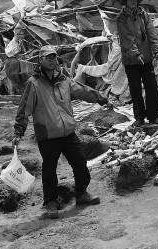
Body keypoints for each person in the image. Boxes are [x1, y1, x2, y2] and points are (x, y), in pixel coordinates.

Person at [12, 45, 108, 219]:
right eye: (48, 57)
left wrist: (100, 97)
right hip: (47, 135)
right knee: (49, 170)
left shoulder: (63, 80)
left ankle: (81, 194)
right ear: (40, 60)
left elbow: (82, 90)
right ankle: (50, 202)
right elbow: (24, 108)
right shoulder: (33, 84)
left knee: (80, 163)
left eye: (54, 57)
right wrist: (19, 131)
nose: (52, 60)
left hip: (68, 133)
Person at [116, 0, 158, 127]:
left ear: (137, 0)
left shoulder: (144, 15)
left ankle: (154, 117)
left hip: (146, 58)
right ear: (125, 2)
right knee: (135, 89)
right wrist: (136, 54)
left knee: (152, 87)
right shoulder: (121, 18)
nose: (132, 2)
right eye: (130, 0)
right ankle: (139, 118)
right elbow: (127, 39)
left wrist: (156, 48)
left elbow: (151, 32)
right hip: (131, 60)